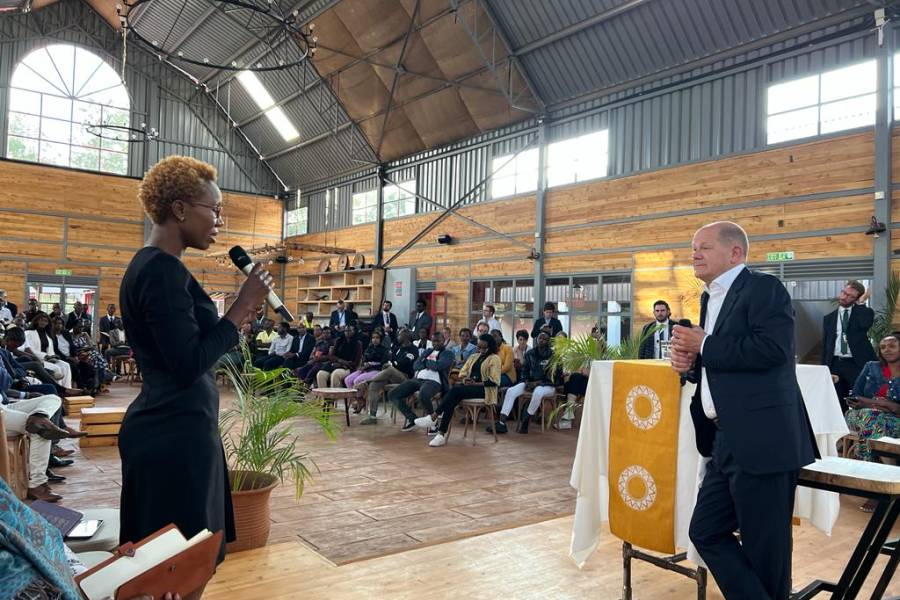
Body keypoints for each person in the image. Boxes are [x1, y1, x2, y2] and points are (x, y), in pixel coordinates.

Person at [117, 155, 270, 565]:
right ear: (180, 209)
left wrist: (236, 320)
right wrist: (242, 306)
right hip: (172, 436)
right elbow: (187, 364)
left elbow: (193, 350)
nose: (219, 221)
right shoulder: (160, 272)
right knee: (180, 567)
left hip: (181, 428)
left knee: (185, 562)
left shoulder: (158, 267)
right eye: (214, 209)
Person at [669, 221, 815, 600]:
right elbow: (724, 364)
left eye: (704, 247)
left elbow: (773, 351)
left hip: (763, 438)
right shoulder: (709, 298)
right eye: (693, 248)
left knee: (766, 551)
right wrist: (693, 364)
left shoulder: (764, 288)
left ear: (735, 253)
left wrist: (705, 345)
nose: (694, 254)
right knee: (704, 531)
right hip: (724, 439)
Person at [414, 333, 501, 447]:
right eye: (479, 347)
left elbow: (495, 381)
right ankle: (440, 434)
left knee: (454, 392)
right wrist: (465, 379)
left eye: (484, 348)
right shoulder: (474, 356)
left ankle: (434, 419)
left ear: (490, 346)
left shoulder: (495, 358)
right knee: (451, 399)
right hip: (470, 387)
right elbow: (462, 373)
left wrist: (476, 383)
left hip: (485, 390)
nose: (481, 350)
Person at [846, 333, 900, 511]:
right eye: (883, 347)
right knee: (871, 416)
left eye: (892, 346)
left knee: (871, 423)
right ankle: (890, 477)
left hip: (893, 421)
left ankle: (876, 487)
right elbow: (855, 396)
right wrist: (885, 405)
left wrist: (876, 404)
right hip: (859, 416)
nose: (887, 350)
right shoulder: (871, 367)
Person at [822, 280, 877, 411]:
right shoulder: (829, 318)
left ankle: (857, 423)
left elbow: (865, 324)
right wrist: (824, 369)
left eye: (850, 296)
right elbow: (826, 345)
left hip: (856, 364)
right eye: (844, 293)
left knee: (859, 401)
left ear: (856, 299)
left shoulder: (864, 313)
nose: (844, 297)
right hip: (835, 364)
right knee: (837, 401)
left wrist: (861, 303)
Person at [492, 331, 560, 434]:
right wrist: (527, 381)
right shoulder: (530, 353)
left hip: (547, 385)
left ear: (549, 341)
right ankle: (501, 423)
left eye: (545, 339)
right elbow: (524, 371)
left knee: (538, 392)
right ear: (536, 339)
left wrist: (537, 383)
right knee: (511, 391)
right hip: (530, 383)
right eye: (540, 338)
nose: (541, 340)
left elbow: (555, 377)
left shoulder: (553, 356)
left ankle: (526, 420)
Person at [388, 331, 453, 431]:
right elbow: (415, 365)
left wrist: (425, 361)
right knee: (393, 394)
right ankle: (412, 419)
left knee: (423, 394)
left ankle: (433, 422)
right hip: (417, 380)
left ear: (443, 341)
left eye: (438, 341)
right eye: (433, 341)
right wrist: (428, 363)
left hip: (434, 382)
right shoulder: (428, 351)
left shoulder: (447, 353)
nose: (435, 343)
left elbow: (438, 366)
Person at [359, 330, 419, 425]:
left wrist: (393, 363)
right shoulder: (398, 348)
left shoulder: (413, 349)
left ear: (406, 337)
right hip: (391, 375)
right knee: (374, 385)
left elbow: (405, 362)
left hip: (405, 377)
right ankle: (372, 416)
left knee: (390, 369)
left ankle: (367, 381)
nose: (397, 337)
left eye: (399, 335)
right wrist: (393, 363)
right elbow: (391, 359)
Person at [344, 330, 390, 410]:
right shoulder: (369, 348)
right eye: (373, 338)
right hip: (366, 369)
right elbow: (364, 359)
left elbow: (383, 364)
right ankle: (359, 400)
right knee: (348, 380)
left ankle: (360, 401)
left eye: (377, 338)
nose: (375, 340)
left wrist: (371, 364)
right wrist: (363, 366)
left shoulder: (385, 350)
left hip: (377, 370)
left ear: (381, 339)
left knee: (357, 381)